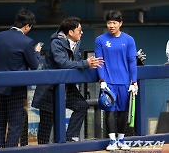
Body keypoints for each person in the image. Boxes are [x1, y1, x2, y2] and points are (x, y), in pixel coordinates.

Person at [32, 16, 104, 144]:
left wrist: (86, 64)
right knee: (46, 122)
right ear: (70, 32)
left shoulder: (77, 42)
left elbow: (75, 62)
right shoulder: (56, 42)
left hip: (67, 86)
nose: (81, 33)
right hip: (50, 88)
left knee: (81, 105)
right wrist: (85, 63)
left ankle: (70, 137)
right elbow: (63, 63)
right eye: (79, 30)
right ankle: (41, 148)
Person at [0, 9, 42, 148]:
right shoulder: (27, 42)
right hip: (16, 90)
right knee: (15, 124)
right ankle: (9, 152)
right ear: (27, 26)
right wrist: (36, 52)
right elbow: (35, 65)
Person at [94, 11, 138, 151]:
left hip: (125, 82)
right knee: (110, 111)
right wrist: (102, 80)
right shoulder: (100, 40)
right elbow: (99, 62)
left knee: (123, 112)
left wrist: (134, 82)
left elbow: (132, 61)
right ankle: (112, 141)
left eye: (114, 23)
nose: (111, 25)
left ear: (120, 23)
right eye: (109, 23)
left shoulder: (129, 40)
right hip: (109, 82)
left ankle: (121, 139)